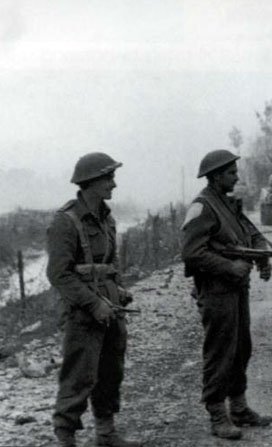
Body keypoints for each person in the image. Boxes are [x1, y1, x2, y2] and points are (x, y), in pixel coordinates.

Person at [47, 153, 141, 447]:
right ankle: (66, 436)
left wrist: (120, 290)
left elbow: (111, 264)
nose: (113, 184)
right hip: (82, 312)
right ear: (91, 182)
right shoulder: (66, 221)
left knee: (111, 371)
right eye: (108, 178)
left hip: (111, 307)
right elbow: (59, 275)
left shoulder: (107, 218)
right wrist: (94, 304)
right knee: (78, 375)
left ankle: (106, 433)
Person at [181, 149, 272, 440]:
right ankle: (217, 414)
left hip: (236, 289)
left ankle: (240, 407)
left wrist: (262, 252)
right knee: (220, 351)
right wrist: (228, 266)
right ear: (217, 175)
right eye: (231, 172)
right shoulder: (202, 206)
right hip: (216, 290)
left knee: (241, 348)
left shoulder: (228, 204)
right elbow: (192, 253)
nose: (236, 176)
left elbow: (250, 231)